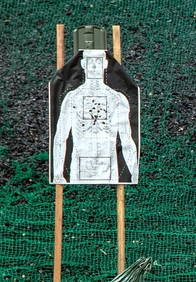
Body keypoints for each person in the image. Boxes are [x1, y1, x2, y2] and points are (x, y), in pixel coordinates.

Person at [52, 49, 139, 184]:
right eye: (90, 62)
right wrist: (58, 173)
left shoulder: (116, 99)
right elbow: (60, 137)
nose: (93, 67)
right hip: (78, 170)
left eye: (97, 62)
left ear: (104, 64)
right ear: (83, 64)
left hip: (109, 170)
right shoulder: (73, 98)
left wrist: (134, 173)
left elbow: (126, 139)